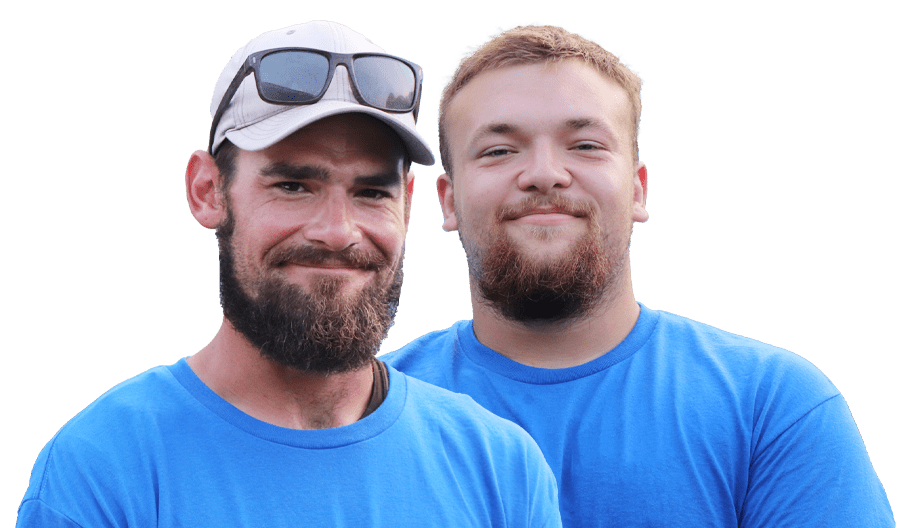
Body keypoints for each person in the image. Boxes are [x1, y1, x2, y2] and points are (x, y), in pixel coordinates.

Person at [17, 21, 561, 527]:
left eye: (371, 192)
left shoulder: (500, 467)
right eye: (293, 186)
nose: (337, 232)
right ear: (207, 191)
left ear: (408, 208)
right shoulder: (102, 471)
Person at [383, 24, 894, 527]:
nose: (543, 172)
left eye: (584, 145)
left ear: (636, 189)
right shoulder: (364, 405)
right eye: (498, 150)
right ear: (447, 202)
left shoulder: (773, 407)